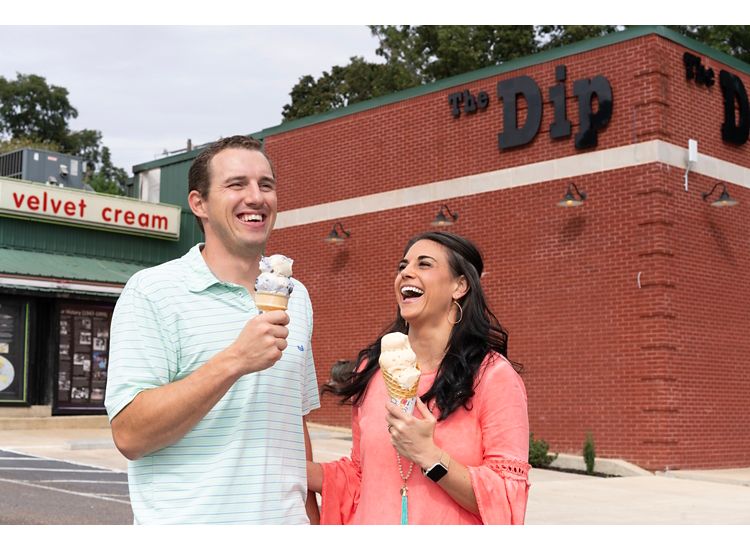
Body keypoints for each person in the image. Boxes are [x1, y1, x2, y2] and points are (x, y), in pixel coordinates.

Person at [105, 136, 320, 524]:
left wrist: (312, 520)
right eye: (236, 184)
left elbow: (294, 421)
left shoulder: (297, 296)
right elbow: (130, 436)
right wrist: (235, 360)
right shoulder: (152, 292)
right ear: (198, 204)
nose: (256, 197)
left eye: (265, 184)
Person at [307, 231, 529, 524]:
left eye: (424, 265)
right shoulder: (372, 370)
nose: (406, 273)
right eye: (402, 267)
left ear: (459, 285)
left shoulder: (492, 376)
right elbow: (361, 475)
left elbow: (506, 499)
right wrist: (292, 470)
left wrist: (430, 456)